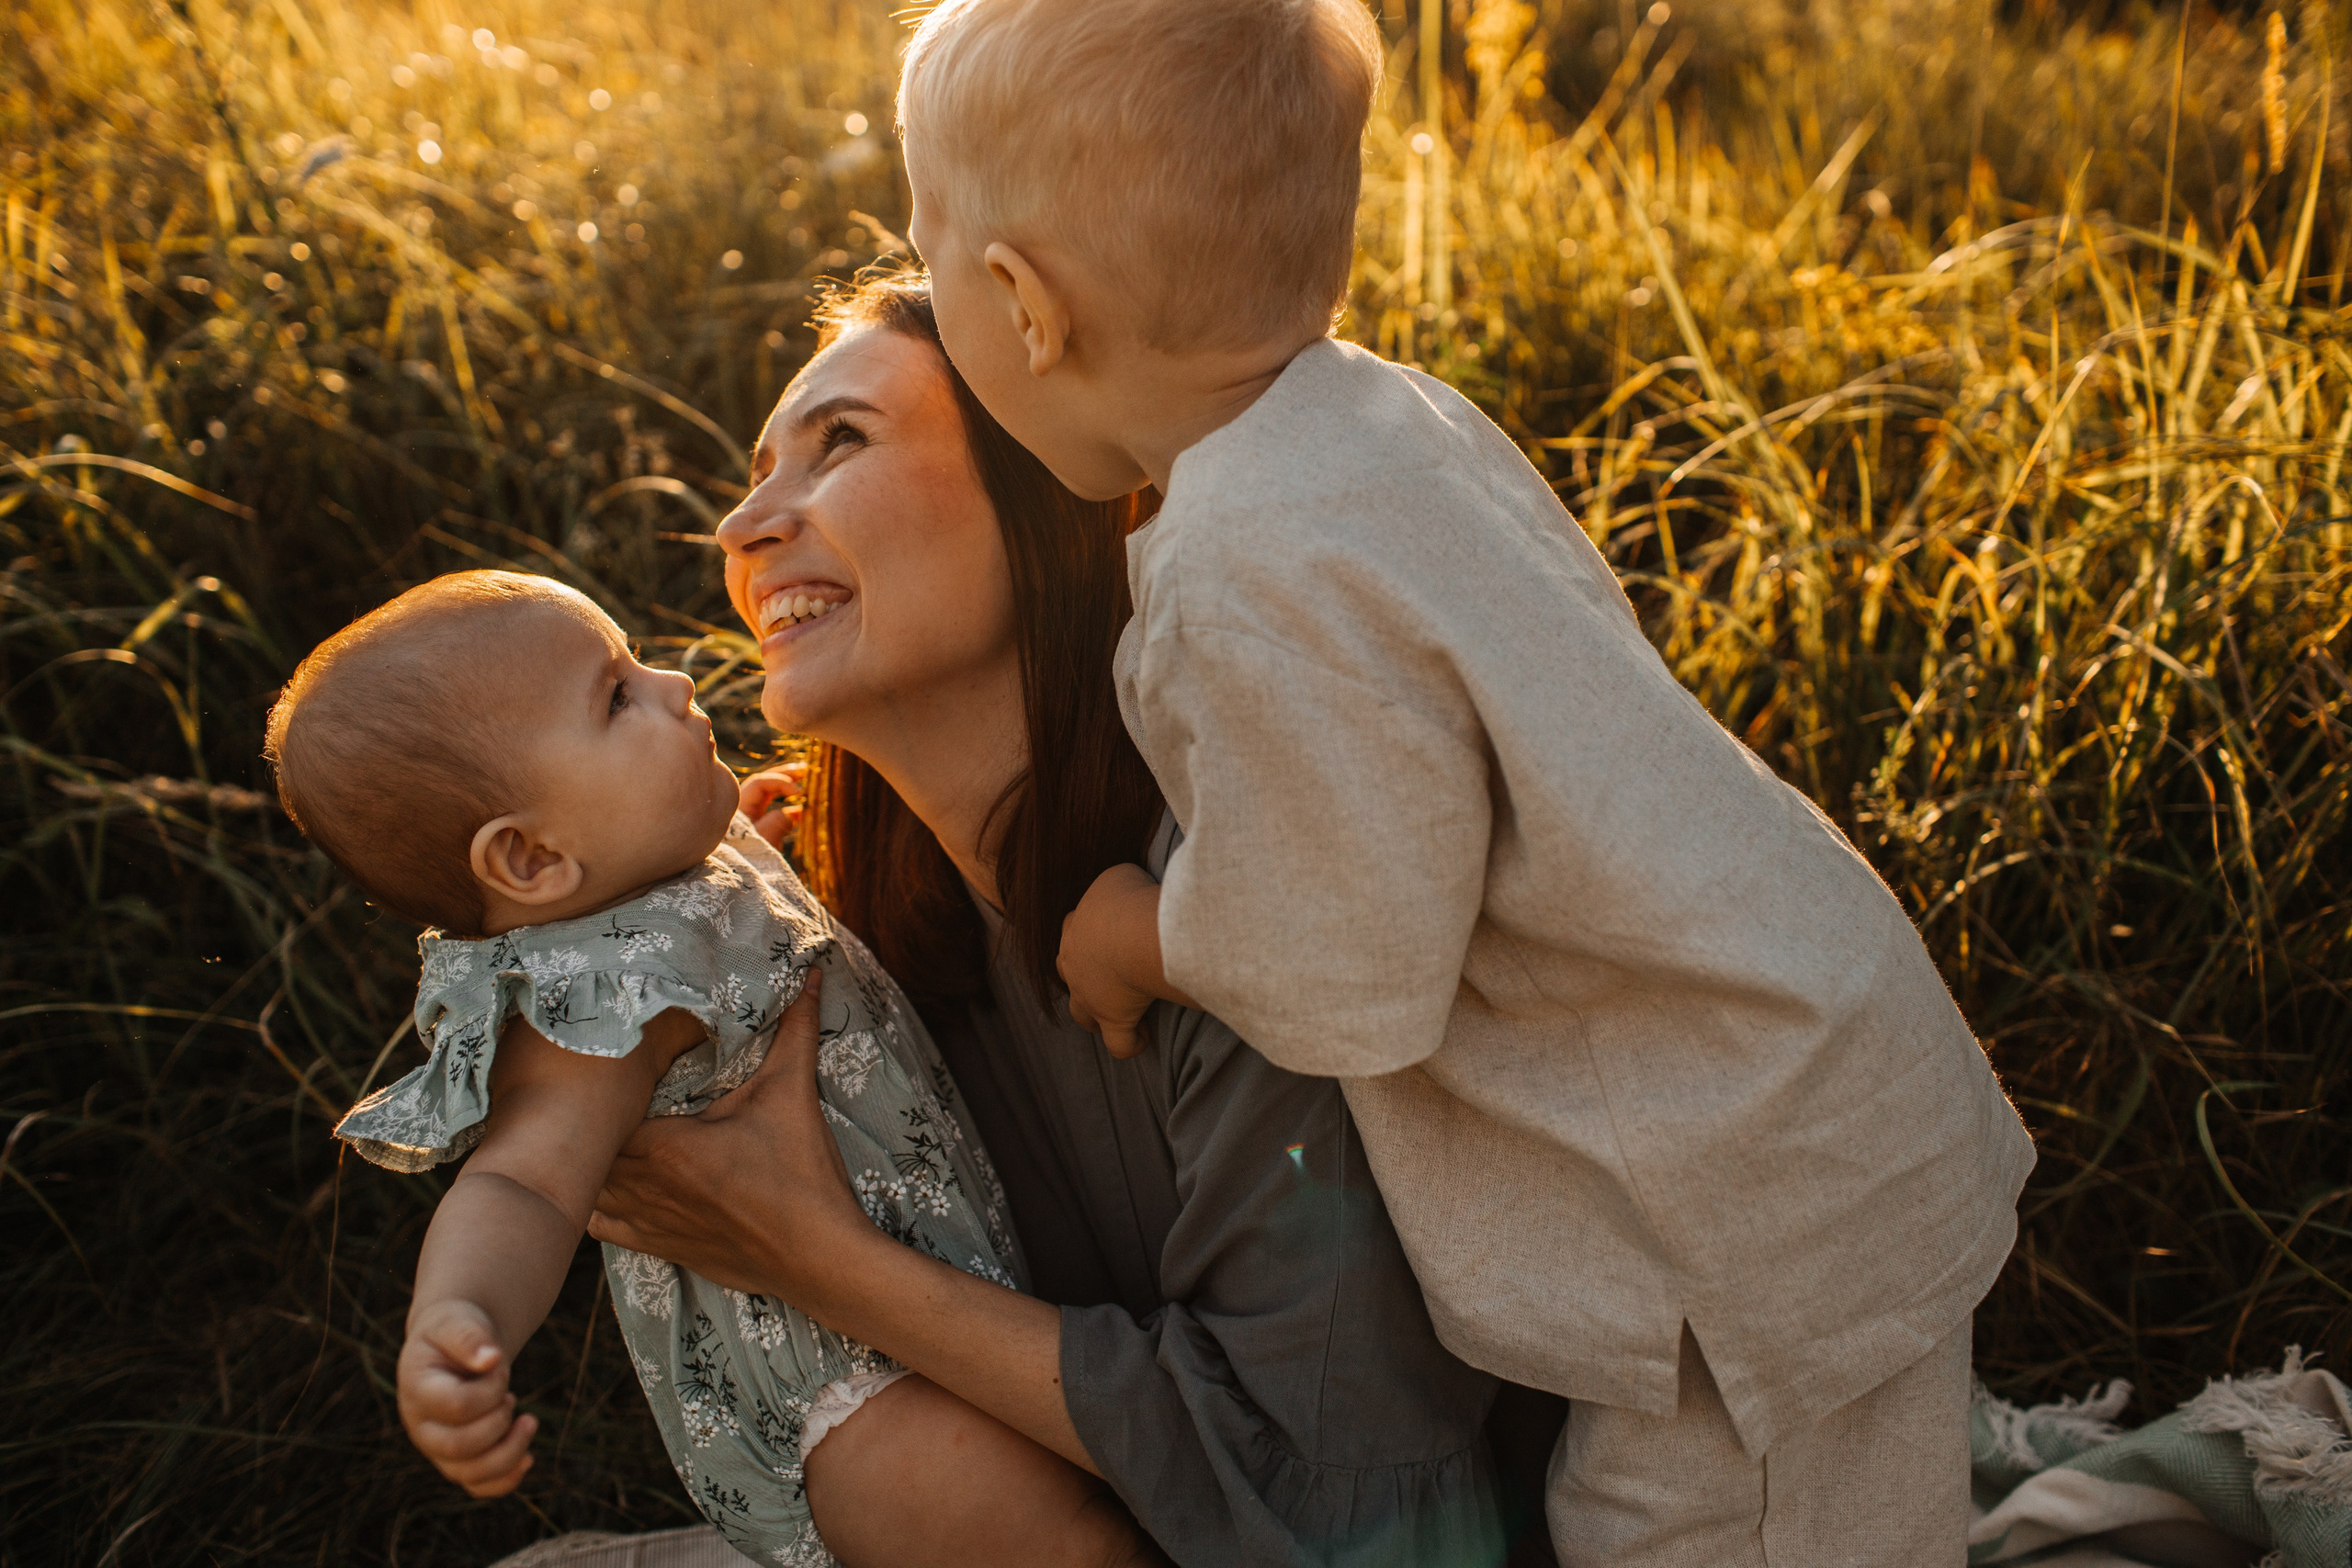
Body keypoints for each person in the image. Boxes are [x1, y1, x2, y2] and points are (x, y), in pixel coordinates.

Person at [894, 1, 2041, 1563]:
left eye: (924, 240)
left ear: (1022, 305)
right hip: (1783, 1104)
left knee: (1699, 1535)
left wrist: (1137, 931)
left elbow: (1347, 966)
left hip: (1731, 1206)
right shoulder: (1384, 424)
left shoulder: (1247, 569)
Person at [589, 278, 1529, 1567]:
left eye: (842, 441)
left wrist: (820, 1255)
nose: (744, 526)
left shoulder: (1230, 912)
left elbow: (1366, 1511)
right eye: (756, 473)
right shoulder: (852, 940)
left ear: (1051, 484)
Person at [266, 571, 1154, 1568]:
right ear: (530, 859)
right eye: (616, 696)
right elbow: (521, 1179)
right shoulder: (601, 999)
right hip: (843, 1391)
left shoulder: (673, 875)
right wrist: (458, 1321)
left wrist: (760, 871)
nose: (676, 681)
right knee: (1081, 1552)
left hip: (908, 1301)